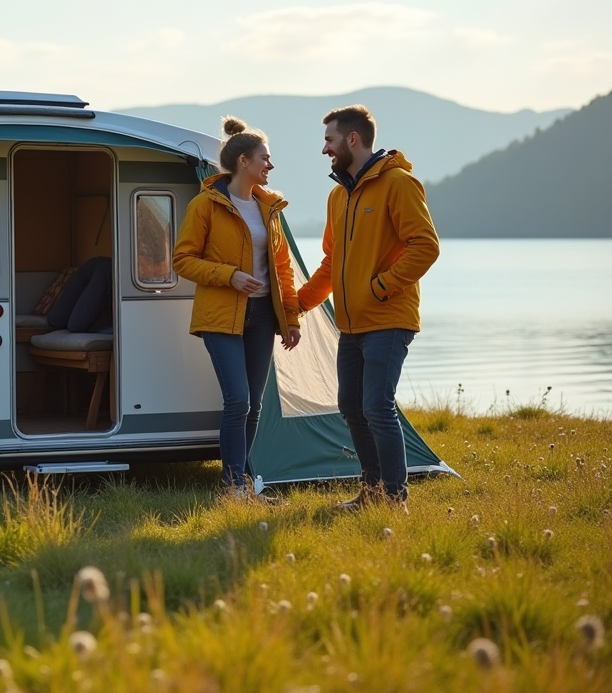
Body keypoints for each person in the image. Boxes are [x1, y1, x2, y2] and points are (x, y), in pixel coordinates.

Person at [297, 105, 440, 512]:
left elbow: (425, 246)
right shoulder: (337, 196)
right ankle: (373, 492)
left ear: (352, 139)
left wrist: (381, 286)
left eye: (329, 139)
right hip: (351, 324)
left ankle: (395, 499)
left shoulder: (399, 184)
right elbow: (331, 262)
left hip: (388, 319)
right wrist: (300, 304)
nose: (325, 148)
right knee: (351, 408)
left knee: (377, 406)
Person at [173, 117, 301, 498]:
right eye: (265, 158)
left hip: (262, 316)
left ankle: (243, 483)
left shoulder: (269, 209)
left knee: (255, 405)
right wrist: (229, 276)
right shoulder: (205, 206)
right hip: (220, 316)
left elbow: (282, 268)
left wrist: (290, 318)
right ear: (243, 161)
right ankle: (232, 486)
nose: (270, 166)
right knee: (238, 400)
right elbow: (183, 260)